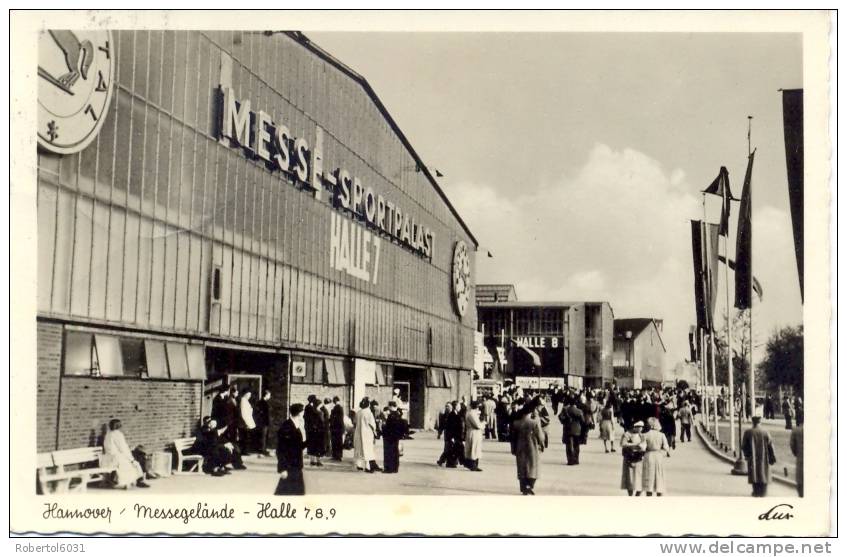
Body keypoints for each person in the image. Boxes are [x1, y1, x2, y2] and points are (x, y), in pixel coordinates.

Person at [511, 398, 545, 495]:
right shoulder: (534, 422)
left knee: (522, 466)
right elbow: (540, 436)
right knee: (532, 466)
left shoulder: (516, 423)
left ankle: (523, 487)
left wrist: (513, 449)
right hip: (532, 447)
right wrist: (542, 445)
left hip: (520, 447)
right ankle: (529, 486)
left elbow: (512, 438)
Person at [102, 419, 149, 488]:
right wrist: (131, 459)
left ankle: (137, 480)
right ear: (119, 426)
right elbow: (123, 448)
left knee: (134, 460)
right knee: (135, 463)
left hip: (108, 458)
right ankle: (139, 481)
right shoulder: (117, 434)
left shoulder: (108, 434)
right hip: (116, 458)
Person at [741, 413, 777, 497]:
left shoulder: (748, 432)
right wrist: (772, 456)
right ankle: (763, 491)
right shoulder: (765, 432)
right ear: (760, 422)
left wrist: (747, 455)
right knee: (764, 472)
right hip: (764, 456)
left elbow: (744, 446)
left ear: (753, 422)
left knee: (754, 473)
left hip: (753, 457)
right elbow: (770, 445)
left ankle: (756, 491)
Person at [275, 403, 307, 495]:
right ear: (300, 413)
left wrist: (309, 441)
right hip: (289, 468)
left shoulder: (295, 426)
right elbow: (281, 450)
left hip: (296, 466)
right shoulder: (286, 427)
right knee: (285, 494)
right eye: (303, 412)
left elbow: (298, 446)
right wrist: (283, 468)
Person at [641, 417, 670, 496]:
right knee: (659, 475)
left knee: (648, 476)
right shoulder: (662, 435)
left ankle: (649, 495)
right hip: (658, 456)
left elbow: (643, 447)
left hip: (648, 456)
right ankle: (659, 494)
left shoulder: (645, 435)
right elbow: (666, 448)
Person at [353, 397, 380, 472]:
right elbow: (372, 424)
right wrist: (375, 432)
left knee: (359, 449)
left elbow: (354, 422)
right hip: (367, 433)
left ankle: (359, 465)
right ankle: (368, 467)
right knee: (367, 450)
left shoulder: (358, 412)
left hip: (358, 433)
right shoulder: (369, 412)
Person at [620, 420, 645, 496]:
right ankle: (630, 495)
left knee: (639, 478)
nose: (641, 429)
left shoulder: (641, 435)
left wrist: (642, 447)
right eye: (639, 428)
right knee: (630, 478)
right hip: (629, 457)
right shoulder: (627, 434)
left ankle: (637, 494)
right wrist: (635, 444)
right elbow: (623, 444)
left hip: (639, 458)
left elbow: (644, 444)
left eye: (641, 428)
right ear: (635, 427)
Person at [382, 401, 406, 473]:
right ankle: (395, 468)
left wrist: (383, 427)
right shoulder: (398, 414)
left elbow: (388, 427)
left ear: (391, 406)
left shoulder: (391, 416)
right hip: (396, 437)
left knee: (388, 453)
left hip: (389, 437)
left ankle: (388, 468)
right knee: (395, 453)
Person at [559, 397, 585, 465]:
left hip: (568, 429)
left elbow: (560, 417)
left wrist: (564, 422)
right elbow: (582, 421)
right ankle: (576, 459)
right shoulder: (579, 411)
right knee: (576, 445)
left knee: (568, 446)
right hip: (577, 430)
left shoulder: (565, 409)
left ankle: (570, 460)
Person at [304, 395, 325, 467]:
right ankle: (318, 461)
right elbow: (322, 422)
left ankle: (312, 461)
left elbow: (306, 418)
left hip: (311, 430)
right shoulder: (320, 412)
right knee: (318, 446)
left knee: (312, 445)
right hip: (319, 431)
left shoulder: (310, 410)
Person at [463, 399, 484, 471]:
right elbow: (477, 425)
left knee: (473, 448)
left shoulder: (470, 413)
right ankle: (473, 465)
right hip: (474, 432)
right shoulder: (472, 414)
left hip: (473, 432)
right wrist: (483, 424)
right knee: (474, 448)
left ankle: (473, 465)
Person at [444, 401, 465, 468]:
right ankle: (453, 463)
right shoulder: (452, 415)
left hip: (457, 436)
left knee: (456, 449)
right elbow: (451, 427)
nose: (460, 407)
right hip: (453, 436)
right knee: (455, 449)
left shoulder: (456, 414)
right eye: (458, 406)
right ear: (455, 407)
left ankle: (457, 462)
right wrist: (451, 437)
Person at [238, 389, 256, 456]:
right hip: (245, 422)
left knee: (245, 437)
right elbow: (243, 413)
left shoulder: (245, 401)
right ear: (245, 394)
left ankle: (245, 450)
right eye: (249, 394)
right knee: (244, 437)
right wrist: (246, 423)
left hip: (247, 421)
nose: (250, 396)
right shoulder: (243, 400)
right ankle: (244, 451)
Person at [254, 390, 272, 457]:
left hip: (262, 422)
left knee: (263, 436)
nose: (270, 396)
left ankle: (262, 449)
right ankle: (263, 450)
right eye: (269, 395)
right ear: (266, 395)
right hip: (264, 422)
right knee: (263, 436)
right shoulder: (263, 403)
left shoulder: (260, 402)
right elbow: (263, 414)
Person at [436, 402, 453, 466]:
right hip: (447, 433)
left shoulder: (453, 414)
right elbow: (441, 426)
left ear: (451, 407)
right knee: (447, 447)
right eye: (446, 406)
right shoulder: (444, 416)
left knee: (449, 447)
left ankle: (443, 460)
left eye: (448, 406)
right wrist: (439, 434)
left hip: (452, 433)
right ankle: (442, 460)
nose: (447, 407)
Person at [329, 396, 346, 461]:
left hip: (336, 428)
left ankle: (337, 456)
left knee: (336, 442)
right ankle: (338, 455)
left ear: (335, 401)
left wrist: (330, 421)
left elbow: (335, 419)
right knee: (338, 442)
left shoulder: (336, 408)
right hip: (339, 427)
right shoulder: (340, 408)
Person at [789, 423, 804, 497]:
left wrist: (797, 454)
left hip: (801, 459)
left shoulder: (796, 430)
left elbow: (792, 445)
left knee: (801, 485)